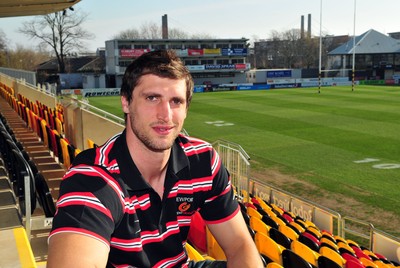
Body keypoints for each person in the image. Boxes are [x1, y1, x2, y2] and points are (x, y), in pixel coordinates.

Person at [47, 50, 263, 268]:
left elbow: (239, 244)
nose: (166, 115)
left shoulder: (203, 160)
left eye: (176, 101)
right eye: (152, 98)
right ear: (126, 102)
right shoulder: (93, 180)